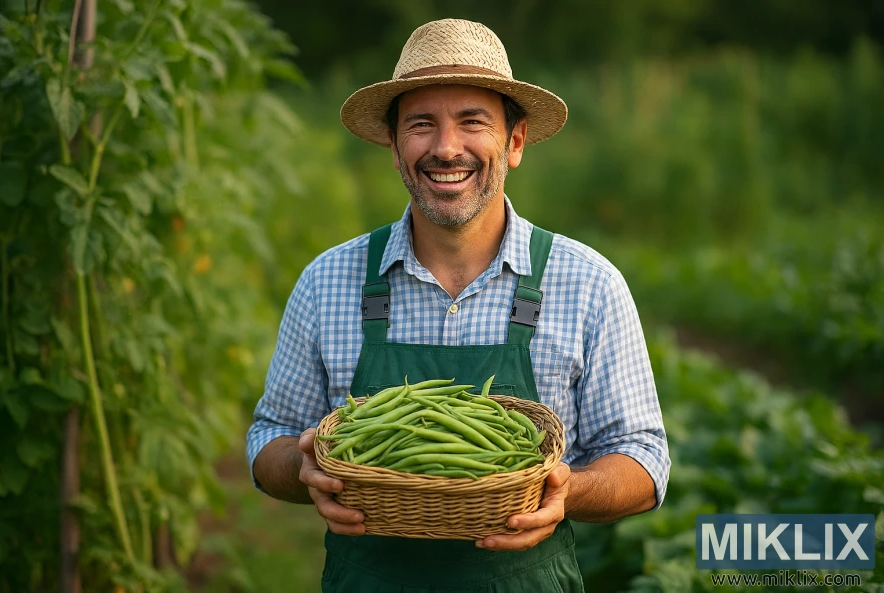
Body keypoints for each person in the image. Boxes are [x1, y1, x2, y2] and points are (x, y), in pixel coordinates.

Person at [247, 18, 670, 593]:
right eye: (421, 125)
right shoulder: (329, 281)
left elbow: (642, 458)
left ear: (514, 142)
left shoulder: (588, 283)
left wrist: (563, 490)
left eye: (473, 122)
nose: (446, 148)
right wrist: (303, 470)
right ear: (395, 148)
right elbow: (270, 434)